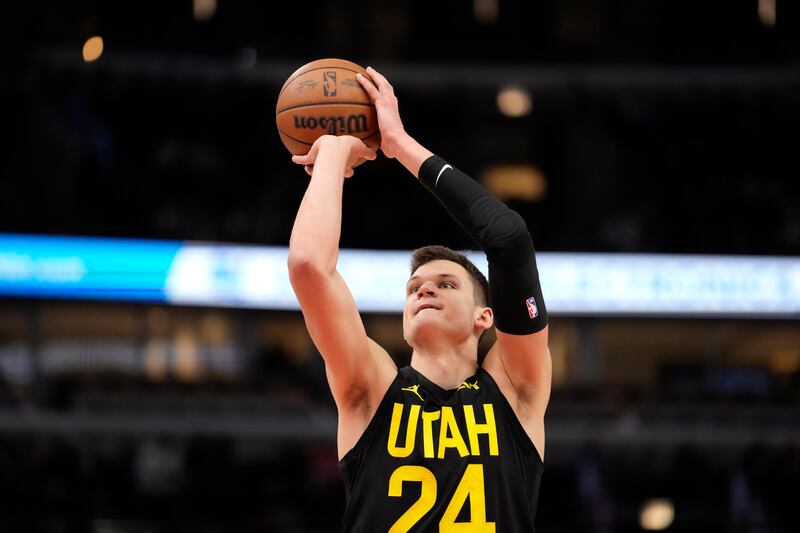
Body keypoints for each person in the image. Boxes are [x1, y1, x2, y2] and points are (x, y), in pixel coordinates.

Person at [288, 66, 551, 532]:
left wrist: (397, 143)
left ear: (484, 317)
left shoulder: (514, 390)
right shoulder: (370, 390)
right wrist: (332, 154)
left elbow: (508, 238)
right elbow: (309, 265)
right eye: (414, 288)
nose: (424, 288)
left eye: (446, 284)